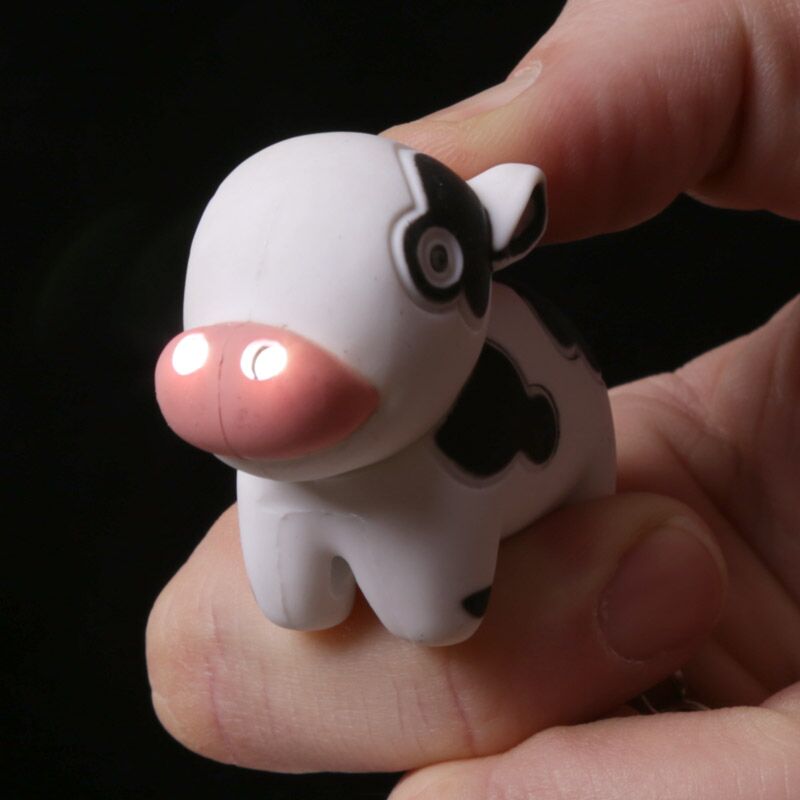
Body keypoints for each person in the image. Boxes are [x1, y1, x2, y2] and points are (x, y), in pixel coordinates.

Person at [146, 0, 800, 796]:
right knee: (297, 604)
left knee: (425, 616)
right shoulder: (278, 459)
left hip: (537, 439)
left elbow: (437, 620)